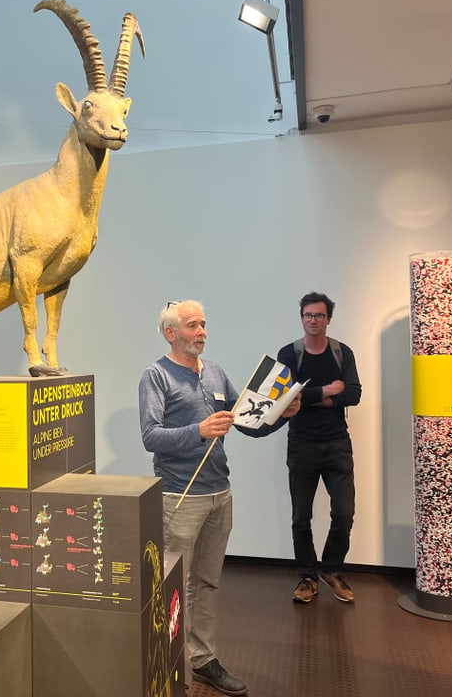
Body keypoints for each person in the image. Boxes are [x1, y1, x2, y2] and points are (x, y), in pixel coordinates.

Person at [139, 300, 299, 696]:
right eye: (192, 325)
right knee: (171, 584)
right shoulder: (155, 375)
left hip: (219, 493)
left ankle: (203, 659)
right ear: (170, 332)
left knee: (207, 583)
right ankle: (167, 663)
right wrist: (199, 430)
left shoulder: (215, 372)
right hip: (180, 495)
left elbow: (247, 424)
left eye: (204, 324)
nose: (201, 332)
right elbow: (150, 437)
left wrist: (280, 415)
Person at [276, 292, 361, 604]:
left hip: (337, 443)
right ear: (302, 318)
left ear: (328, 319)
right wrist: (326, 391)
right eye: (308, 315)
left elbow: (353, 394)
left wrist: (307, 396)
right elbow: (284, 398)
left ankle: (331, 569)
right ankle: (308, 577)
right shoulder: (289, 354)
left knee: (344, 512)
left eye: (319, 315)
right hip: (302, 444)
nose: (313, 320)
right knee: (301, 517)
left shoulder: (342, 353)